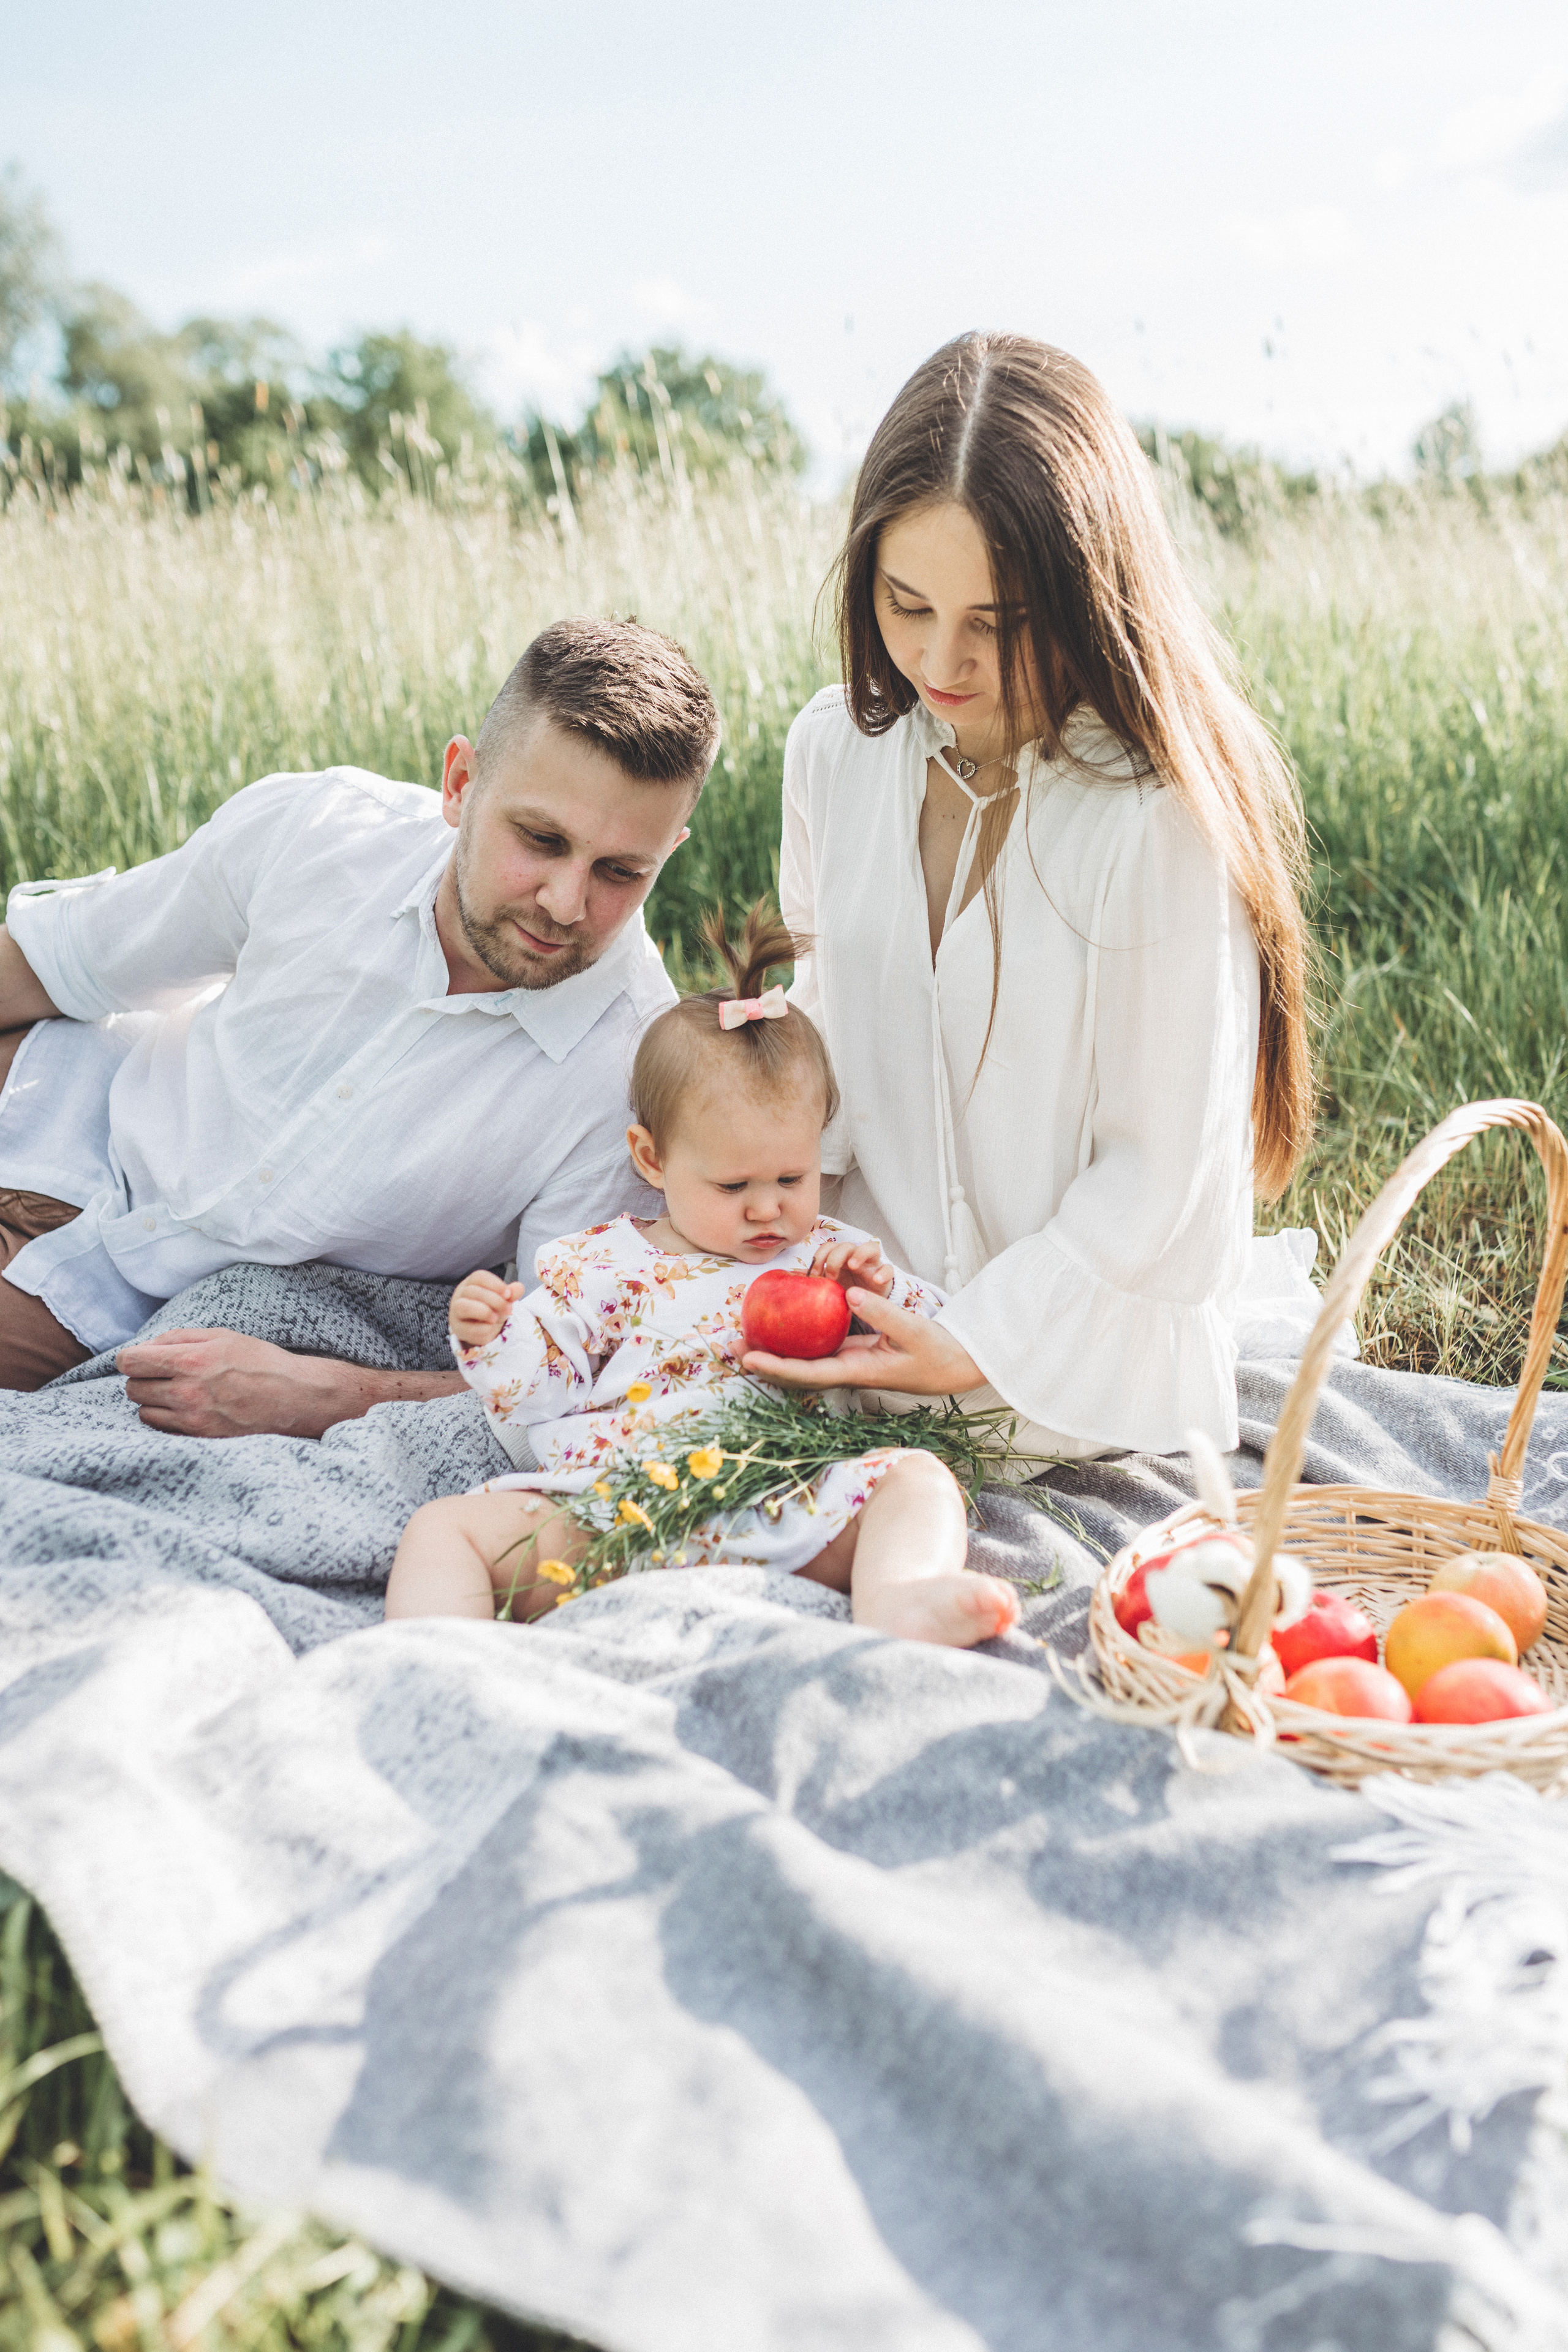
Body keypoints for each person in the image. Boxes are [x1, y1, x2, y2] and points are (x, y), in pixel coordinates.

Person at [747, 332, 1314, 1460]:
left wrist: (983, 1344)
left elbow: (1162, 1169)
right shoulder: (831, 751)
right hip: (858, 1324)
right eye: (905, 604)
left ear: (1087, 597)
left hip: (1078, 1374)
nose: (937, 662)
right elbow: (828, 1032)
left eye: (995, 624)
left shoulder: (1157, 816)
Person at [0, 617, 719, 1430]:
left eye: (622, 872)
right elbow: (56, 960)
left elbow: (555, 1373)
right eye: (541, 839)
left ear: (671, 853)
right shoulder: (322, 830)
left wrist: (325, 1396)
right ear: (460, 784)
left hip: (98, 1291)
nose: (566, 904)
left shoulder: (631, 1076)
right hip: (57, 1099)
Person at [385, 903, 1020, 1649]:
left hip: (779, 1499)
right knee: (442, 1528)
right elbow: (535, 1395)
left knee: (913, 1479)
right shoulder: (597, 1263)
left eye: (792, 1176)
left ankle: (903, 1597)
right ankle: (433, 1658)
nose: (768, 1210)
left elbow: (933, 1336)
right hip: (619, 1509)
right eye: (732, 1187)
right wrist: (492, 1336)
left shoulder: (828, 1255)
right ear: (651, 1160)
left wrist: (876, 1295)